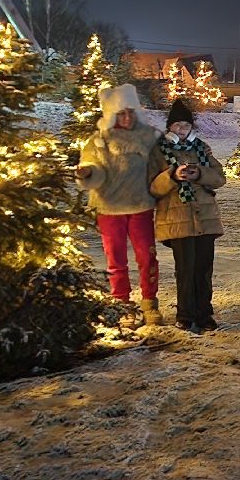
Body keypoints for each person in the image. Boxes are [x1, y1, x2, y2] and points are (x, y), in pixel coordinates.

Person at [75, 83, 163, 325]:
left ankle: (149, 303)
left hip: (140, 206)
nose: (127, 118)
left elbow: (161, 166)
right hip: (110, 207)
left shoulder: (149, 138)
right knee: (115, 259)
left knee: (147, 256)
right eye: (121, 113)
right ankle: (121, 304)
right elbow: (96, 170)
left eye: (131, 112)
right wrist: (87, 173)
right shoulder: (98, 141)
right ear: (112, 115)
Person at [148, 98, 225, 332]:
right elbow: (152, 187)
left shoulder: (201, 148)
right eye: (178, 126)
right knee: (185, 269)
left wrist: (199, 173)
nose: (182, 131)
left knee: (203, 269)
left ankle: (205, 315)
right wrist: (172, 176)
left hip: (205, 218)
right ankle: (185, 314)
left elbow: (219, 178)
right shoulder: (159, 150)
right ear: (170, 127)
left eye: (186, 126)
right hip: (177, 218)